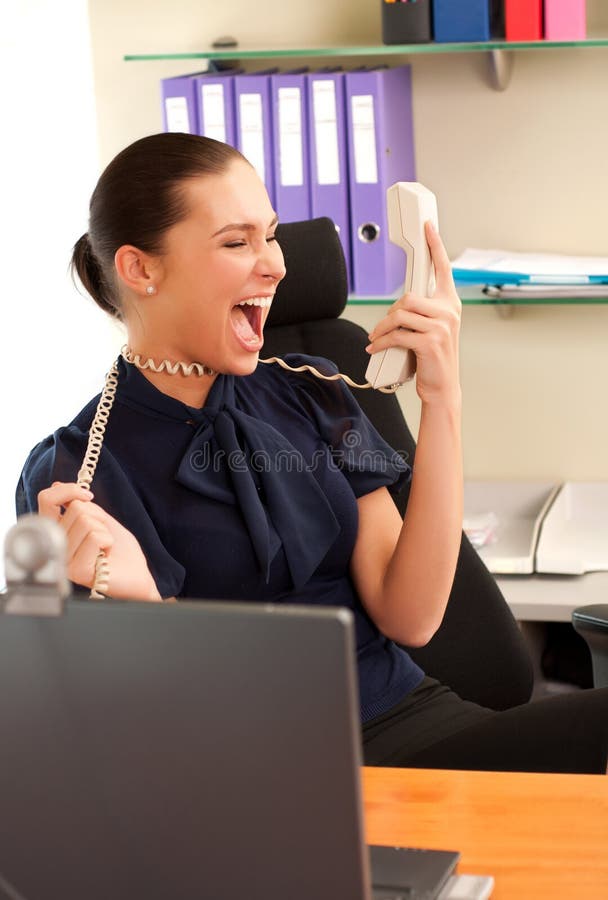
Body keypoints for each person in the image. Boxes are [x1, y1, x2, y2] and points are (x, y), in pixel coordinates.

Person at [16, 132, 608, 775]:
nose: (274, 265)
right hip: (273, 778)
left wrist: (443, 401)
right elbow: (143, 740)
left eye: (270, 235)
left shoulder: (311, 388)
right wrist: (143, 607)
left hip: (425, 729)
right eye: (237, 242)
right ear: (140, 269)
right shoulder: (76, 473)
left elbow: (411, 615)